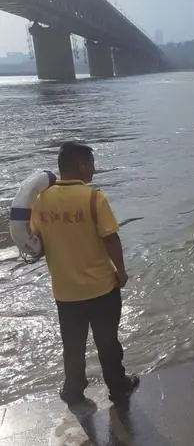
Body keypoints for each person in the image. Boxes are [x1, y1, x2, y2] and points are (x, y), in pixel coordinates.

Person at [30, 141, 139, 407]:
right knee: (107, 342)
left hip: (65, 291)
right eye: (91, 163)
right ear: (80, 165)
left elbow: (36, 244)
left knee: (73, 345)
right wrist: (121, 272)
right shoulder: (94, 198)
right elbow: (111, 239)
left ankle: (74, 390)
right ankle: (118, 386)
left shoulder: (41, 201)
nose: (94, 169)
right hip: (101, 288)